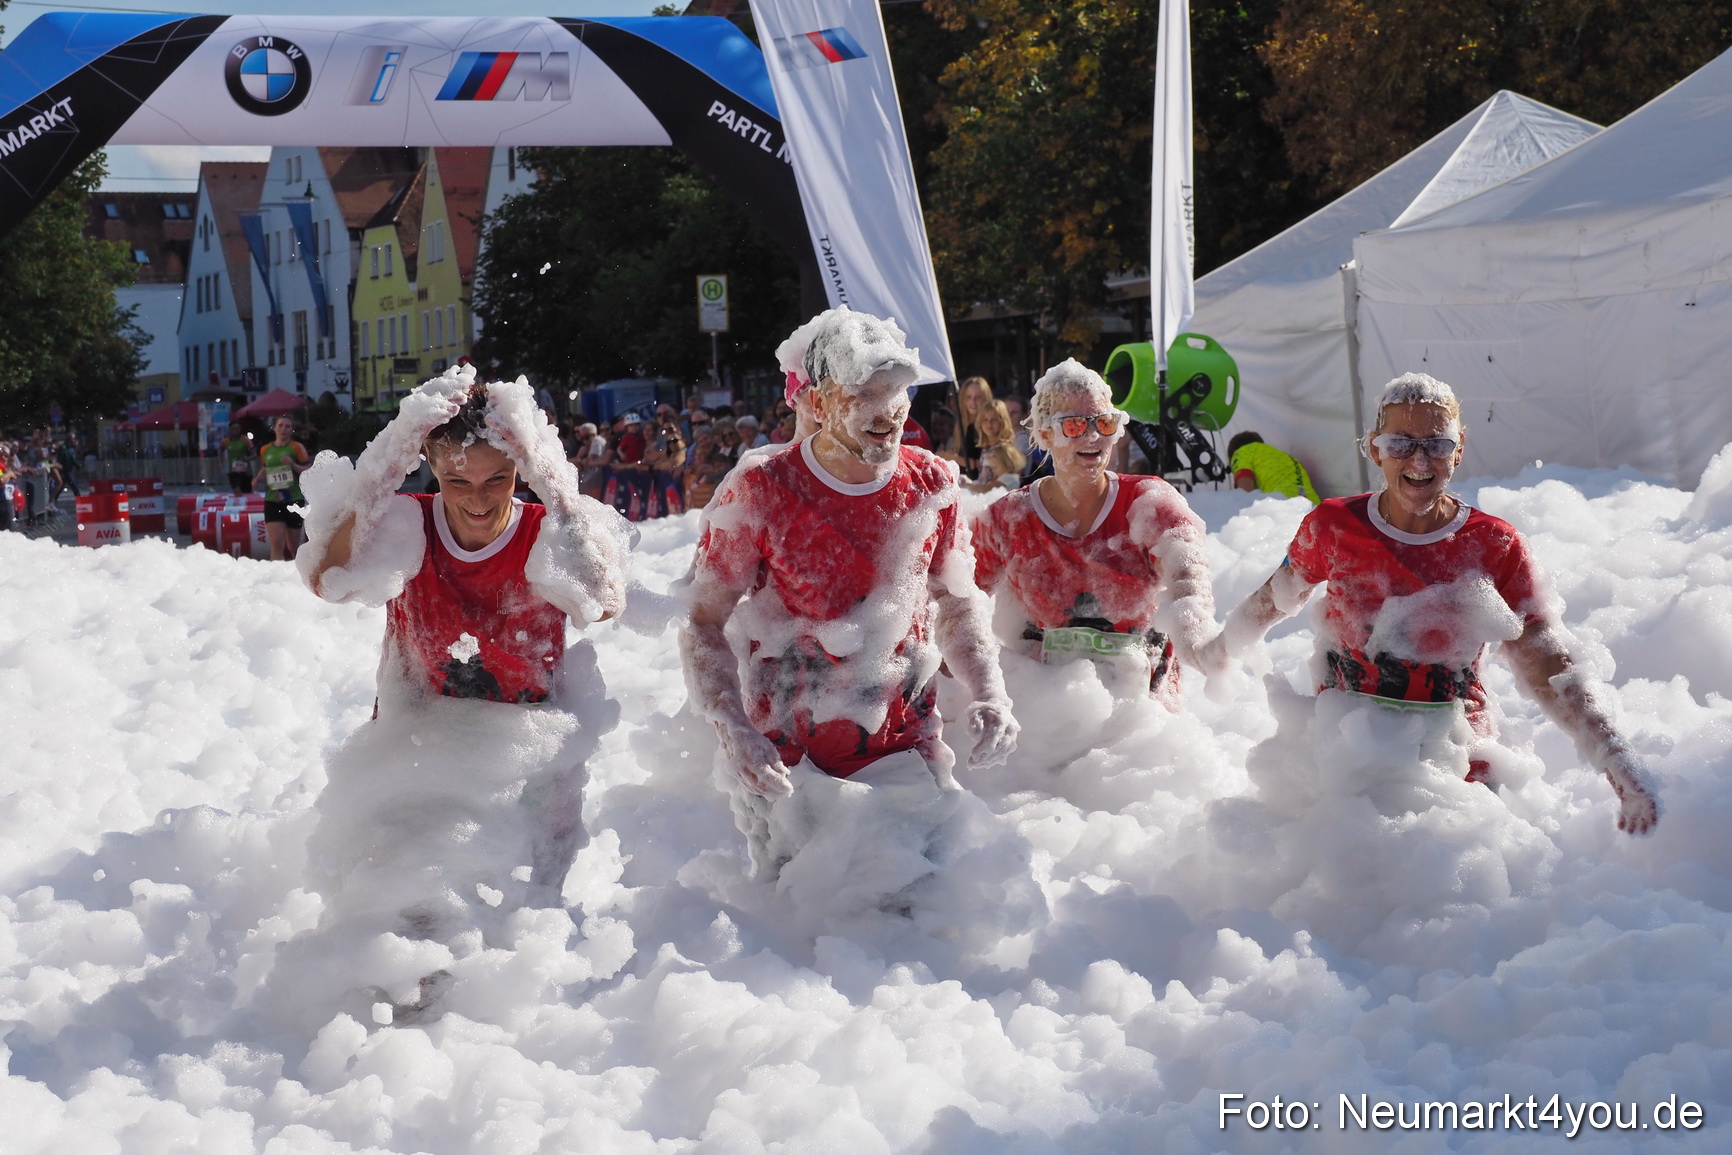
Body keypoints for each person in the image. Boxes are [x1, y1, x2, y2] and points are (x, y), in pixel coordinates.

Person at [290, 368, 633, 1020]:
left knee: (511, 950)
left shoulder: (545, 533)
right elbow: (329, 577)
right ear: (430, 469)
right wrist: (386, 459)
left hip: (525, 759)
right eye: (456, 481)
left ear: (519, 471)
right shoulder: (406, 524)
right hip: (421, 750)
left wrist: (554, 483)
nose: (477, 501)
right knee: (405, 927)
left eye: (497, 480)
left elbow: (605, 599)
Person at [1209, 372, 1659, 834]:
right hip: (1348, 741)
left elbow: (1545, 658)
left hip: (1454, 748)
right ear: (1374, 448)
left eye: (1437, 444)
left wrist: (1612, 754)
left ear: (1459, 447)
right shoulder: (1334, 527)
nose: (1419, 460)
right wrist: (1218, 651)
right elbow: (1273, 598)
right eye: (1401, 443)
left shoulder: (1492, 544)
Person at [682, 307, 1019, 883]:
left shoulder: (933, 483)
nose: (887, 411)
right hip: (790, 768)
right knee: (808, 940)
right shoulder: (760, 490)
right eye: (863, 392)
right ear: (816, 401)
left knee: (930, 921)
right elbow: (702, 622)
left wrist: (989, 692)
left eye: (897, 391)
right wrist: (732, 729)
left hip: (903, 749)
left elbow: (957, 604)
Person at [972, 360, 1223, 703]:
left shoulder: (1149, 503)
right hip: (1049, 714)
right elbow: (959, 605)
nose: (1093, 437)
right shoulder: (1008, 519)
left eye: (1104, 423)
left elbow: (1188, 577)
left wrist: (1195, 628)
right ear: (1045, 434)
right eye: (1074, 425)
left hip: (1146, 720)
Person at [255, 416, 310, 560]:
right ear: (274, 428)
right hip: (273, 500)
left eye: (287, 426)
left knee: (294, 548)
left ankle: (295, 578)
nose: (283, 429)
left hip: (293, 500)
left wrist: (293, 465)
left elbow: (307, 470)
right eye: (280, 425)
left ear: (292, 430)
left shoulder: (296, 448)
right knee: (277, 544)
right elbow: (266, 467)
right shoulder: (265, 450)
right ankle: (278, 577)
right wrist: (257, 479)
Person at [1228, 430, 1320, 504]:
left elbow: (1245, 493)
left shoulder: (1242, 452)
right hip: (1315, 507)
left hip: (1284, 506)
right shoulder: (1288, 457)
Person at [955, 376, 993, 475]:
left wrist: (952, 457)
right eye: (969, 397)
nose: (973, 402)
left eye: (978, 397)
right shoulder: (963, 425)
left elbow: (985, 463)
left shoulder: (990, 425)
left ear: (985, 398)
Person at [225, 428, 255, 495]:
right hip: (233, 472)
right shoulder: (226, 441)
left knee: (247, 492)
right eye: (233, 428)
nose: (236, 430)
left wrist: (247, 458)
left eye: (237, 428)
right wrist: (221, 462)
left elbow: (254, 454)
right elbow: (220, 450)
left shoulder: (245, 440)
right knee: (237, 489)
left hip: (246, 471)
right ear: (230, 430)